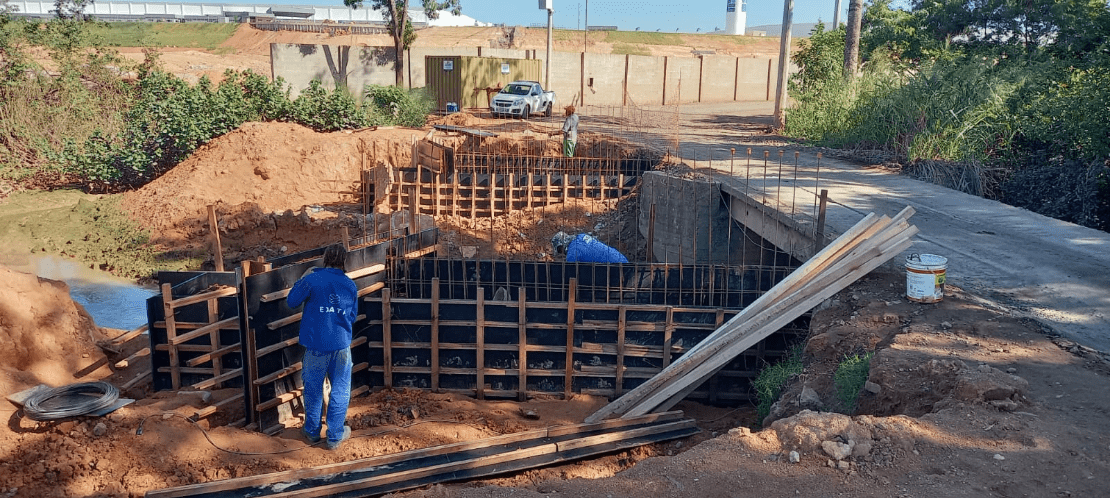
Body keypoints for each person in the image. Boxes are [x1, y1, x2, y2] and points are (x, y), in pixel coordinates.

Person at [287, 243, 358, 450]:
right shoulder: (349, 284)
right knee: (341, 389)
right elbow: (351, 316)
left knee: (313, 389)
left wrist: (302, 278)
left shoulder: (312, 279)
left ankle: (311, 432)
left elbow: (292, 301)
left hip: (316, 346)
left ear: (325, 259)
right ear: (344, 261)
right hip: (341, 346)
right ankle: (335, 436)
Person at [551, 231, 628, 263]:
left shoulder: (572, 253)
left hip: (614, 269)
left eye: (560, 250)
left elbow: (571, 274)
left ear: (562, 245)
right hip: (622, 259)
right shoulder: (582, 236)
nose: (562, 253)